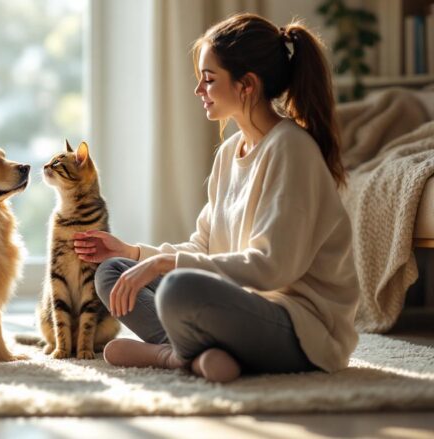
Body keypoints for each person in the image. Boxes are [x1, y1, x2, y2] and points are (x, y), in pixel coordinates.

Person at [73, 13, 360, 383]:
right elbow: (203, 247)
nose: (198, 90)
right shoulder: (229, 152)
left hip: (302, 330)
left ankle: (170, 356)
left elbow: (274, 268)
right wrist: (132, 254)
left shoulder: (292, 149)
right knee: (112, 274)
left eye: (209, 80)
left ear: (247, 85)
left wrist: (163, 266)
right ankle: (198, 355)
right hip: (240, 308)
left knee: (179, 287)